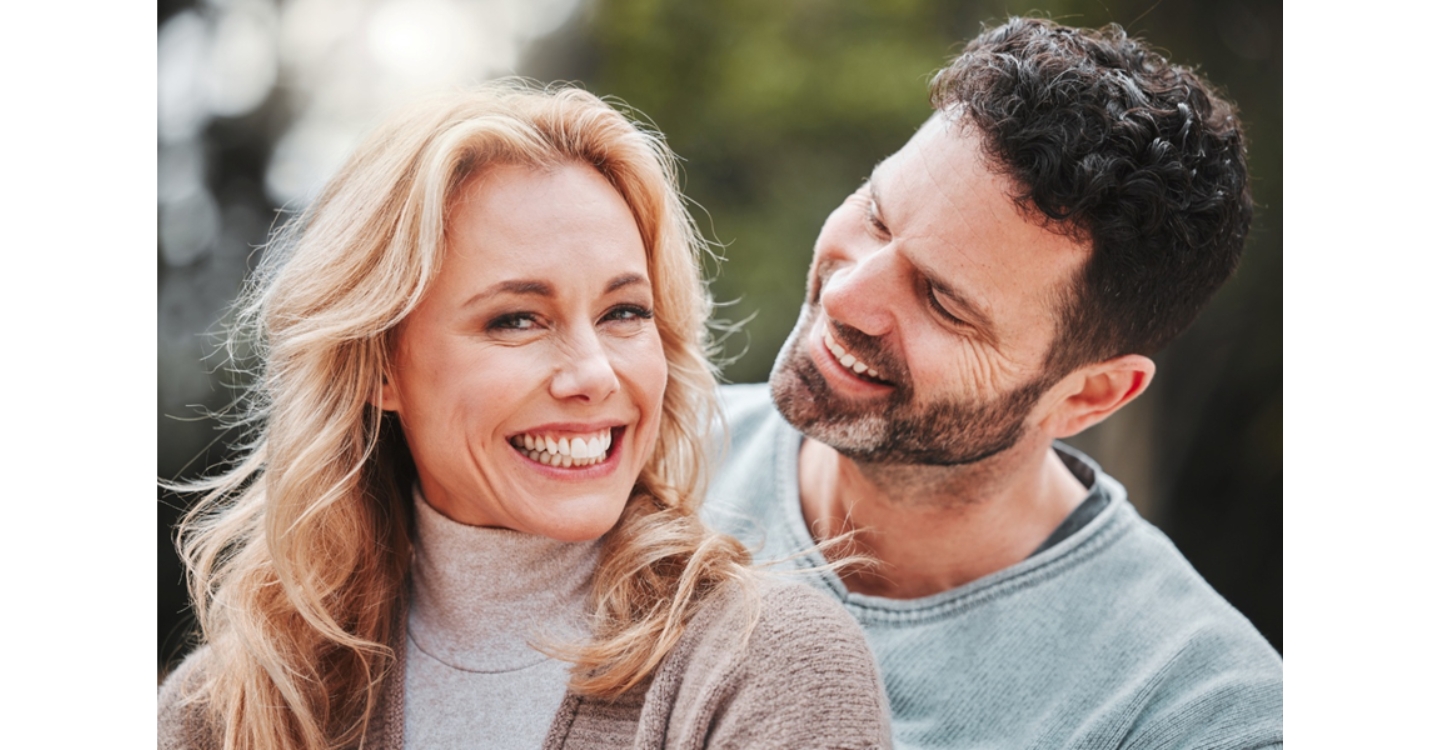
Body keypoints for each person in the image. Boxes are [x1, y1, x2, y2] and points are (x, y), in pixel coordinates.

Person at [158, 83, 891, 750]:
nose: (594, 375)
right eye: (517, 320)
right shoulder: (225, 707)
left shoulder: (769, 665)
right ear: (379, 365)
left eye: (624, 312)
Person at [703, 18, 1283, 749]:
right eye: (876, 216)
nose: (849, 297)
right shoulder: (630, 460)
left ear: (1088, 396)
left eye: (944, 301)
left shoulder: (1193, 717)